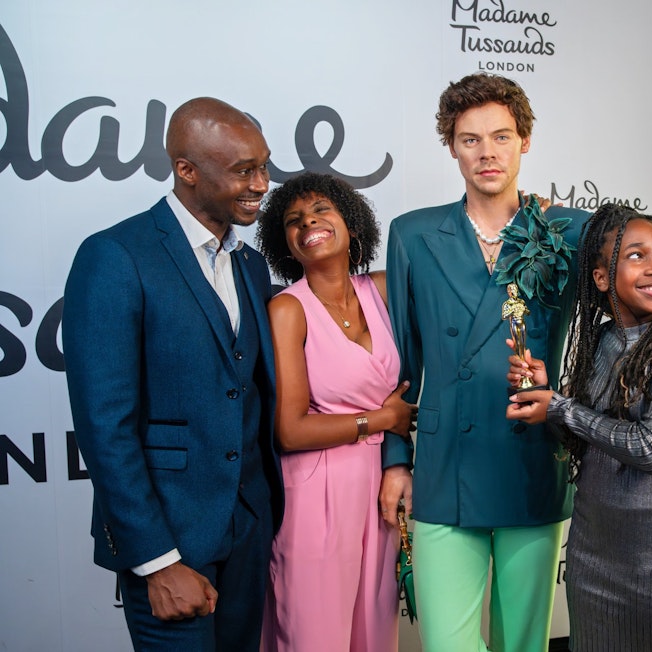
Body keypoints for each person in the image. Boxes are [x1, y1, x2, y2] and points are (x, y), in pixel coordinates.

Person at [63, 97, 283, 650]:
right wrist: (156, 562)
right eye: (242, 170)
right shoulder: (115, 255)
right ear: (187, 170)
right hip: (171, 543)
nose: (261, 183)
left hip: (249, 532)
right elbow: (105, 425)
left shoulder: (250, 263)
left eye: (264, 165)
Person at [380, 72, 587, 652]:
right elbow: (401, 364)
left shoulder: (568, 231)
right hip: (446, 465)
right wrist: (397, 461)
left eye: (501, 136)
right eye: (470, 139)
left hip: (531, 454)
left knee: (524, 643)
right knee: (448, 643)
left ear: (525, 141)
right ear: (451, 146)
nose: (487, 152)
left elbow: (623, 310)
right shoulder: (412, 234)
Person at [506, 203, 652, 651]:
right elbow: (581, 441)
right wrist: (545, 395)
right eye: (636, 256)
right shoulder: (599, 340)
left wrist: (561, 408)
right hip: (591, 554)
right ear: (601, 278)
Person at [254, 172, 416, 651]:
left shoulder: (383, 290)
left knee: (373, 630)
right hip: (314, 493)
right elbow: (289, 430)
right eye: (293, 220)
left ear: (350, 220)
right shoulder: (288, 310)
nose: (309, 223)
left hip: (380, 486)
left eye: (322, 210)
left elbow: (464, 294)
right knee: (314, 634)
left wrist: (520, 221)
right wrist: (384, 421)